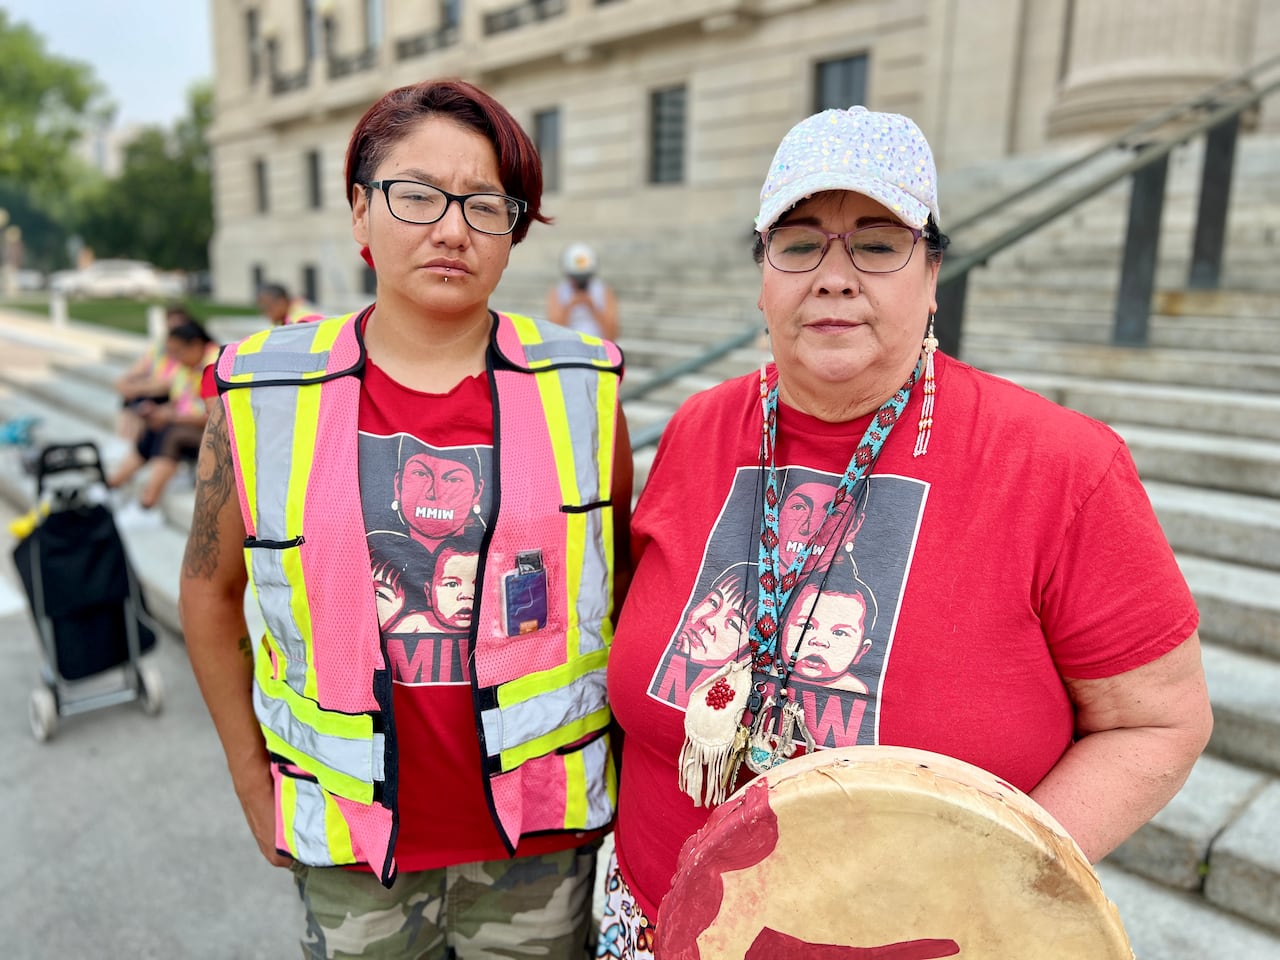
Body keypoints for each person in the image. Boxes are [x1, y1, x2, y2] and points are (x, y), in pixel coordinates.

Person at [600, 105, 1213, 956]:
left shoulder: (1062, 466)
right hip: (655, 927)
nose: (835, 275)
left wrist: (988, 879)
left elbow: (1157, 723)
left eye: (879, 243)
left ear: (931, 275)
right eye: (800, 241)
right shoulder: (700, 428)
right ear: (763, 273)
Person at [178, 78, 632, 959]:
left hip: (538, 842)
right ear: (360, 214)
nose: (452, 227)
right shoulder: (261, 390)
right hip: (351, 851)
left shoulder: (583, 386)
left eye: (485, 203)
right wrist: (250, 781)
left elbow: (624, 587)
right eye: (416, 194)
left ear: (514, 230)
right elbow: (209, 591)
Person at [108, 321, 218, 517]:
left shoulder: (215, 364)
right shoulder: (188, 366)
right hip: (191, 425)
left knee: (171, 433)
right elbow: (181, 402)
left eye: (177, 352)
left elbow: (214, 416)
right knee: (155, 426)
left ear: (195, 345)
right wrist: (158, 411)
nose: (174, 359)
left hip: (217, 434)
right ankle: (113, 485)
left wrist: (171, 417)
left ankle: (147, 505)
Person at [113, 303, 197, 441]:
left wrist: (138, 389)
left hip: (170, 395)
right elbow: (139, 367)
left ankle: (134, 446)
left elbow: (170, 384)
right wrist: (124, 383)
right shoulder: (160, 346)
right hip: (157, 390)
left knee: (142, 406)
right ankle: (126, 443)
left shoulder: (186, 349)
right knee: (130, 401)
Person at [546, 243, 620, 340]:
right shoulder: (558, 292)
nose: (579, 283)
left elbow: (612, 335)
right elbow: (553, 332)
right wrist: (569, 306)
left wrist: (592, 307)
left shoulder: (604, 291)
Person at [256, 282, 321, 326]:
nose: (266, 314)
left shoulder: (302, 319)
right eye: (262, 310)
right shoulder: (279, 321)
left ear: (282, 301)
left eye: (268, 307)